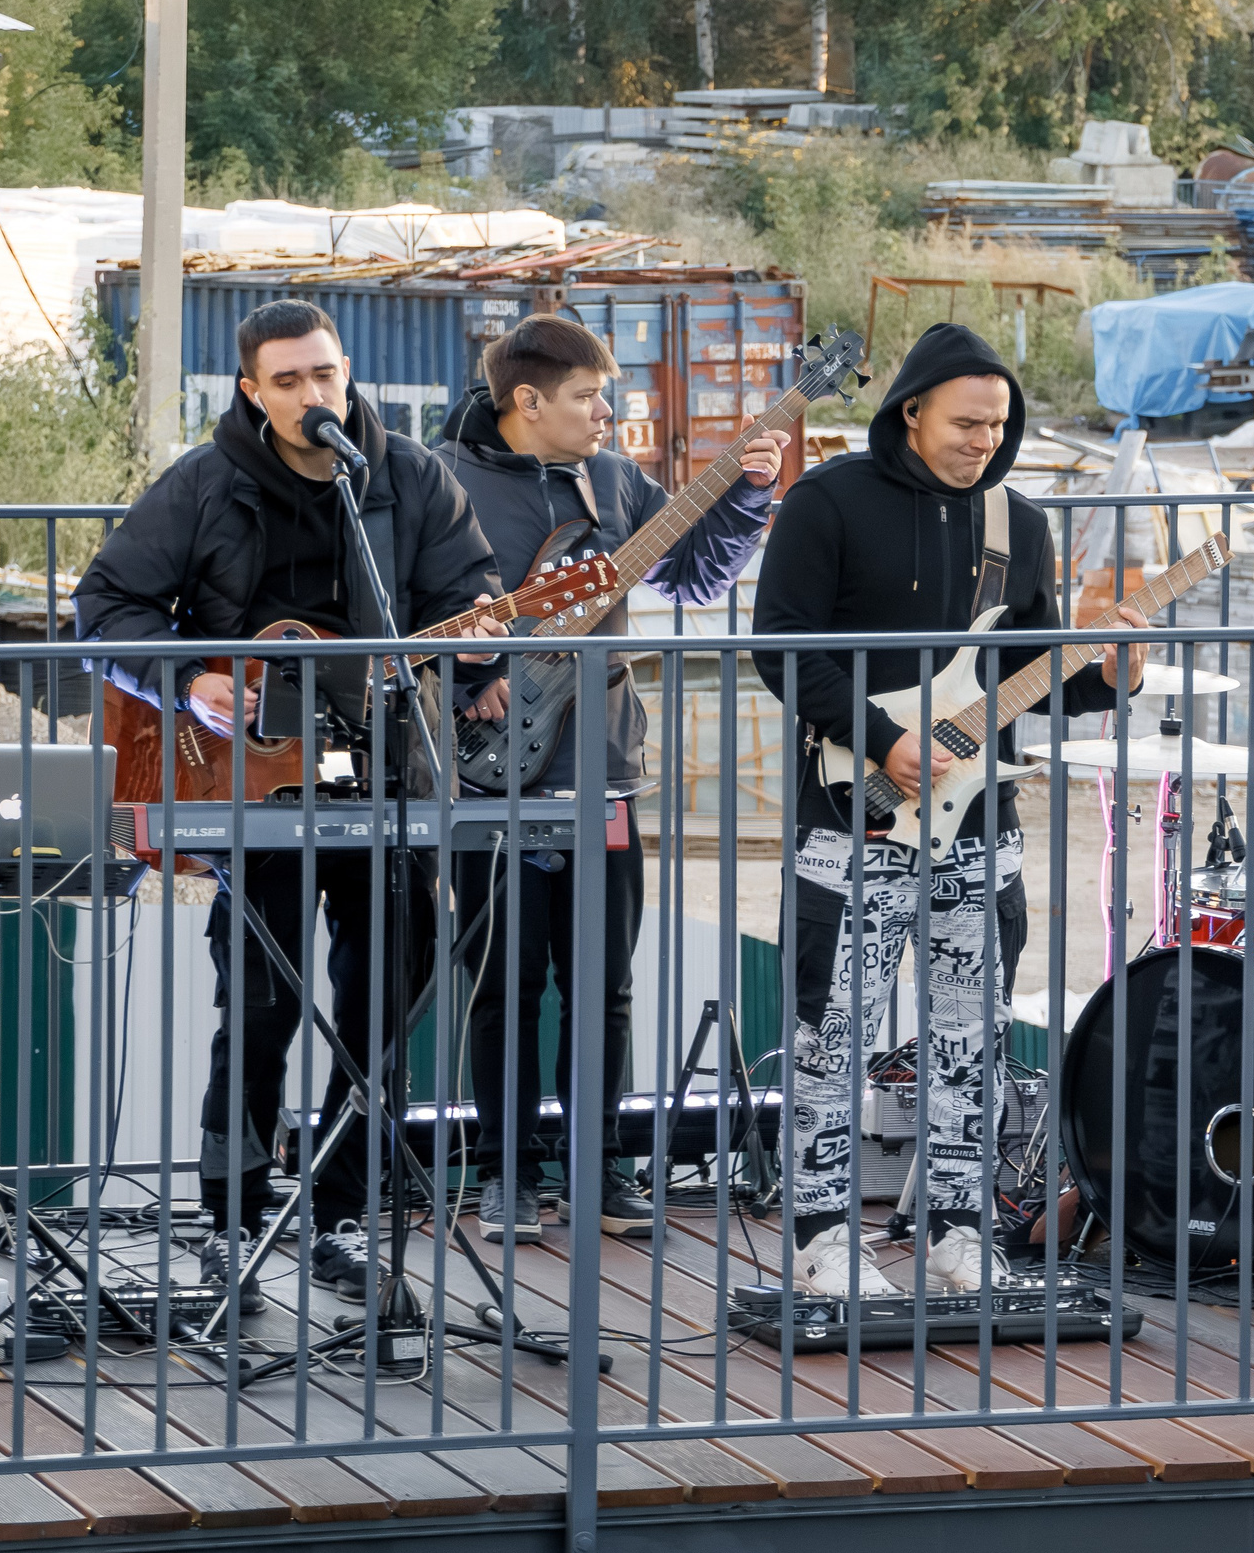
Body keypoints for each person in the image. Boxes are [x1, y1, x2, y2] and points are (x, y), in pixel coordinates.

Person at [74, 298, 508, 1308]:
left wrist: (485, 635)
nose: (315, 396)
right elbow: (105, 607)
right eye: (290, 381)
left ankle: (344, 1213)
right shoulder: (206, 484)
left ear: (346, 370)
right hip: (242, 780)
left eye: (326, 374)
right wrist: (192, 680)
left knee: (384, 1001)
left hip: (383, 774)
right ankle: (231, 1220)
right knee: (261, 1003)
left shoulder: (406, 478)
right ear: (251, 391)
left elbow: (473, 592)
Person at [752, 322, 1146, 1296]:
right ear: (910, 410)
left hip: (981, 829)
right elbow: (781, 645)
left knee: (971, 1045)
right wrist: (881, 739)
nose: (984, 440)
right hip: (852, 817)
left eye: (999, 425)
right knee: (830, 1040)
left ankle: (960, 1235)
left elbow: (1030, 682)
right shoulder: (828, 502)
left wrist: (1108, 676)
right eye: (967, 422)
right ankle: (821, 1244)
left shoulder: (1018, 525)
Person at [430, 314, 781, 1243]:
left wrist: (747, 496)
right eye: (587, 396)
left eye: (606, 393)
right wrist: (471, 677)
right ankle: (504, 1174)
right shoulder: (443, 482)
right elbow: (409, 612)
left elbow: (697, 578)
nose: (605, 411)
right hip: (485, 777)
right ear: (528, 401)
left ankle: (602, 1167)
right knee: (501, 982)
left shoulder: (615, 479)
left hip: (601, 766)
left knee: (604, 984)